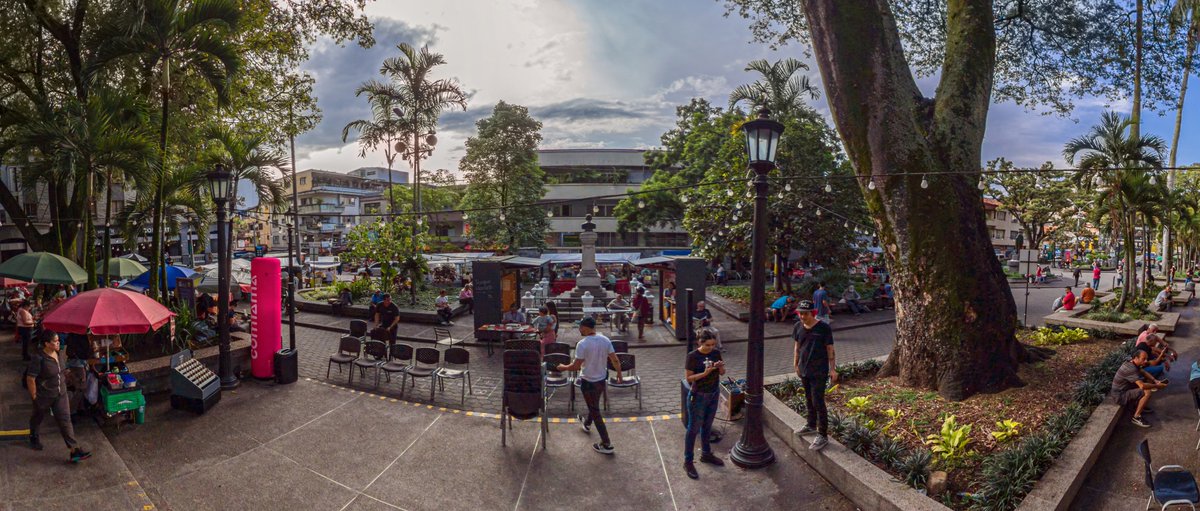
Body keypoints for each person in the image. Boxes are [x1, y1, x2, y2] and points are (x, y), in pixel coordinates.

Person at [556, 317, 621, 455]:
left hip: (589, 381)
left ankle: (606, 443)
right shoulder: (605, 340)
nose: (579, 329)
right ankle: (586, 423)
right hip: (601, 379)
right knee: (594, 404)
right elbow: (615, 359)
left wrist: (562, 367)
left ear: (586, 327)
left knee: (595, 410)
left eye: (580, 327)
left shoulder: (582, 344)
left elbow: (575, 366)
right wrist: (619, 374)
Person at [26, 330, 92, 462]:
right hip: (44, 395)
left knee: (65, 420)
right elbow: (30, 378)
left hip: (61, 394)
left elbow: (62, 370)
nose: (59, 343)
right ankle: (33, 435)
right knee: (37, 416)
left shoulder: (58, 353)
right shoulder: (39, 358)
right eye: (55, 341)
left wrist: (72, 377)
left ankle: (74, 450)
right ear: (46, 344)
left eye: (58, 340)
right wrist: (34, 396)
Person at [793, 300, 837, 450]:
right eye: (800, 313)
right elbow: (797, 347)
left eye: (805, 314)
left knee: (818, 401)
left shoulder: (824, 328)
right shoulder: (798, 326)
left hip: (819, 370)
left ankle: (822, 434)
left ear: (813, 313)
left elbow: (830, 348)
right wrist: (796, 364)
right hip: (804, 369)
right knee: (808, 398)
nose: (802, 317)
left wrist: (833, 369)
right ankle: (811, 424)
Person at [682, 330, 726, 479]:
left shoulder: (715, 353)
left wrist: (720, 367)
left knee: (707, 426)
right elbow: (689, 378)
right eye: (707, 345)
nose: (711, 348)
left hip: (713, 393)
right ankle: (688, 461)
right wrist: (705, 373)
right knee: (693, 428)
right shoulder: (692, 356)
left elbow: (722, 372)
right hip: (698, 395)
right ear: (699, 342)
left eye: (713, 344)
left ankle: (706, 454)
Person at [1112, 348, 1167, 428]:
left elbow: (1144, 372)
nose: (1145, 361)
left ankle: (1138, 406)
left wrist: (1155, 380)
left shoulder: (1132, 362)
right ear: (1136, 358)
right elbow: (1142, 386)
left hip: (1124, 389)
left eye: (1146, 359)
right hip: (1120, 396)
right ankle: (1136, 417)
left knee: (1144, 381)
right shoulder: (1131, 369)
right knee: (1147, 391)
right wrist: (1157, 386)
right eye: (1143, 359)